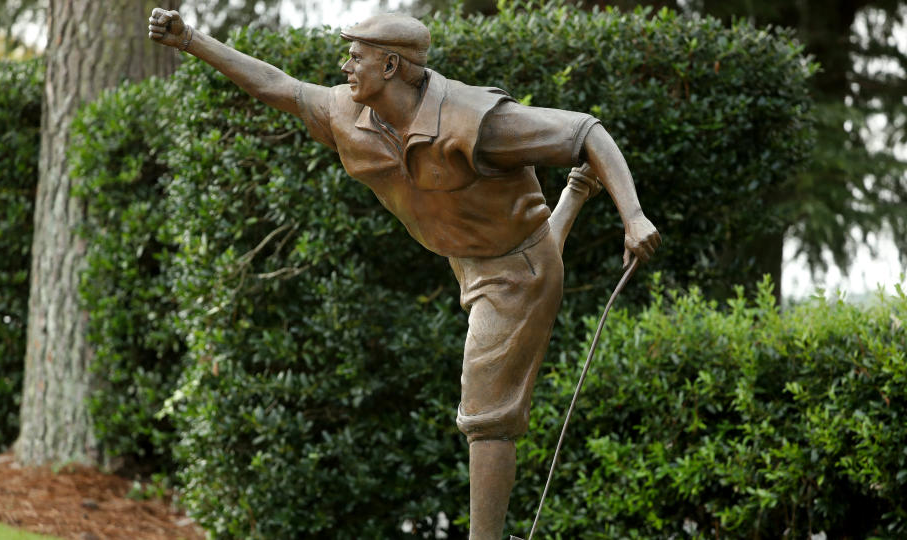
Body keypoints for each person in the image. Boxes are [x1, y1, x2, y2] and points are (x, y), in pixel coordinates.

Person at [148, 10, 661, 539]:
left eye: (356, 55)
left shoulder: (475, 119)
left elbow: (585, 130)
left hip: (516, 275)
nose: (344, 65)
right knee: (506, 251)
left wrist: (635, 216)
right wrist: (191, 40)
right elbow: (280, 85)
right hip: (470, 254)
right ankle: (572, 197)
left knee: (485, 414)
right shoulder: (349, 112)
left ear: (391, 64)